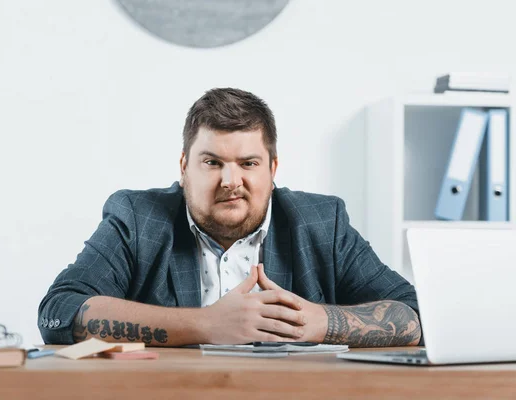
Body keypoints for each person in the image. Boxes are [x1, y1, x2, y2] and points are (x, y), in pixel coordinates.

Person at [38, 88, 422, 347]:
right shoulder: (138, 219)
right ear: (185, 166)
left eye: (248, 163)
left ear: (272, 170)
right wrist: (206, 324)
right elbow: (58, 311)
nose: (230, 180)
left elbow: (413, 314)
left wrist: (322, 321)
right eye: (212, 162)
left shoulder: (322, 222)